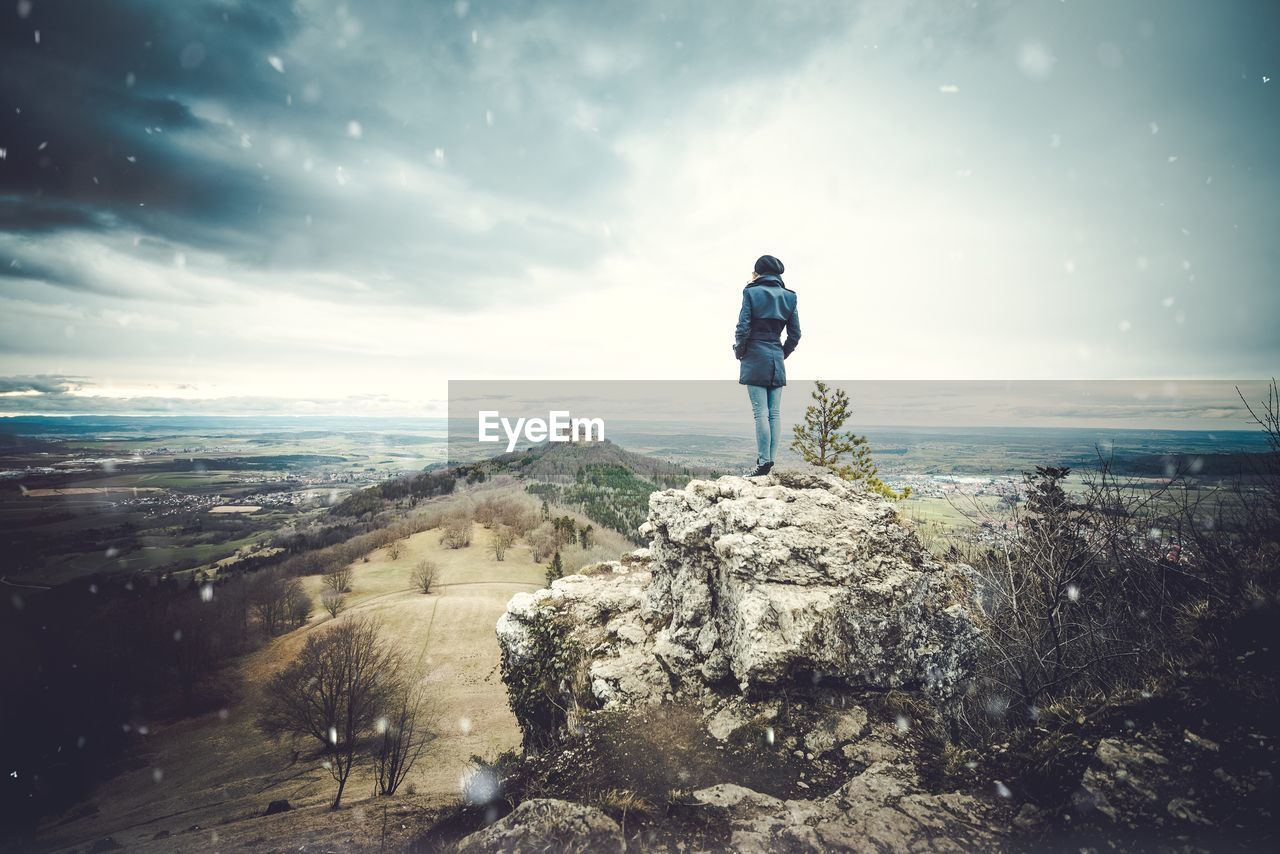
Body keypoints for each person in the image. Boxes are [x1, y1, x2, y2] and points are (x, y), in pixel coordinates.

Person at [733, 254, 800, 476]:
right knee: (774, 413)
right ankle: (769, 461)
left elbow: (743, 328)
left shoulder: (751, 292)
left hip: (755, 355)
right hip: (776, 357)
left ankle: (763, 463)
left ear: (758, 272)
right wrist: (781, 354)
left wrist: (740, 352)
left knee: (760, 413)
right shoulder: (790, 297)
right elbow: (795, 335)